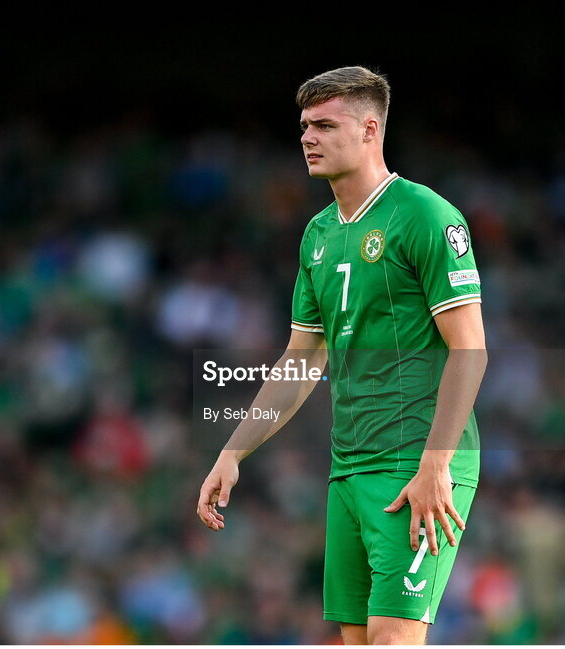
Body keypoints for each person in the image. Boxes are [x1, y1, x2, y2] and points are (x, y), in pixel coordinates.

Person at [197, 66, 487, 645]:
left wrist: (437, 465)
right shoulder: (319, 235)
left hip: (416, 464)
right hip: (349, 468)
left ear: (369, 130)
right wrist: (234, 449)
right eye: (304, 126)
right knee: (357, 642)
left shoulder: (425, 215)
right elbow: (301, 360)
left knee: (392, 639)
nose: (308, 137)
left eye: (325, 125)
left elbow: (471, 350)